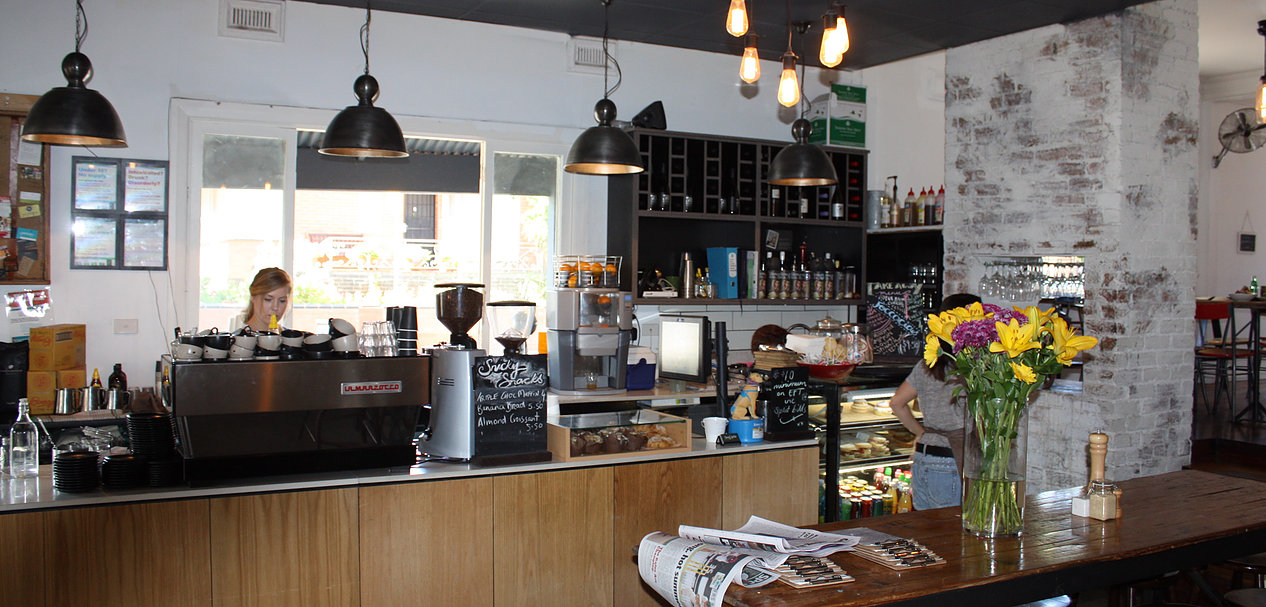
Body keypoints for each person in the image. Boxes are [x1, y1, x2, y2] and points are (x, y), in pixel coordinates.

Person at [887, 293, 982, 511]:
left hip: (924, 457)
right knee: (950, 536)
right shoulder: (972, 367)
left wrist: (920, 432)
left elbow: (897, 403)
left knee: (926, 533)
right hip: (953, 461)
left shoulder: (927, 363)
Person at [236, 267, 291, 333]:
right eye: (268, 299)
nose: (275, 307)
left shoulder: (292, 340)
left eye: (282, 301)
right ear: (253, 297)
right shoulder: (236, 340)